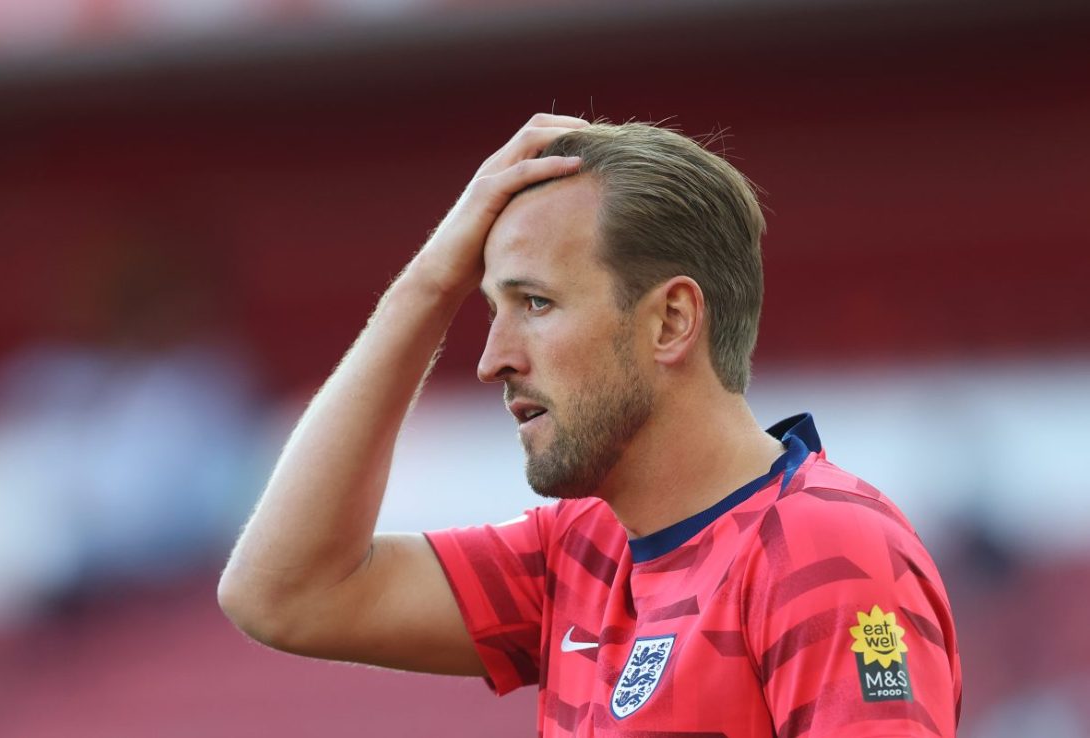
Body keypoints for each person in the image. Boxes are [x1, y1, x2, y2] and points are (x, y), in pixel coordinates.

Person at [218, 114, 962, 736]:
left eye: (535, 303)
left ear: (670, 320)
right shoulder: (582, 549)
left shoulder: (823, 549)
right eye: (488, 308)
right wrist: (427, 282)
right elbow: (285, 594)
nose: (492, 359)